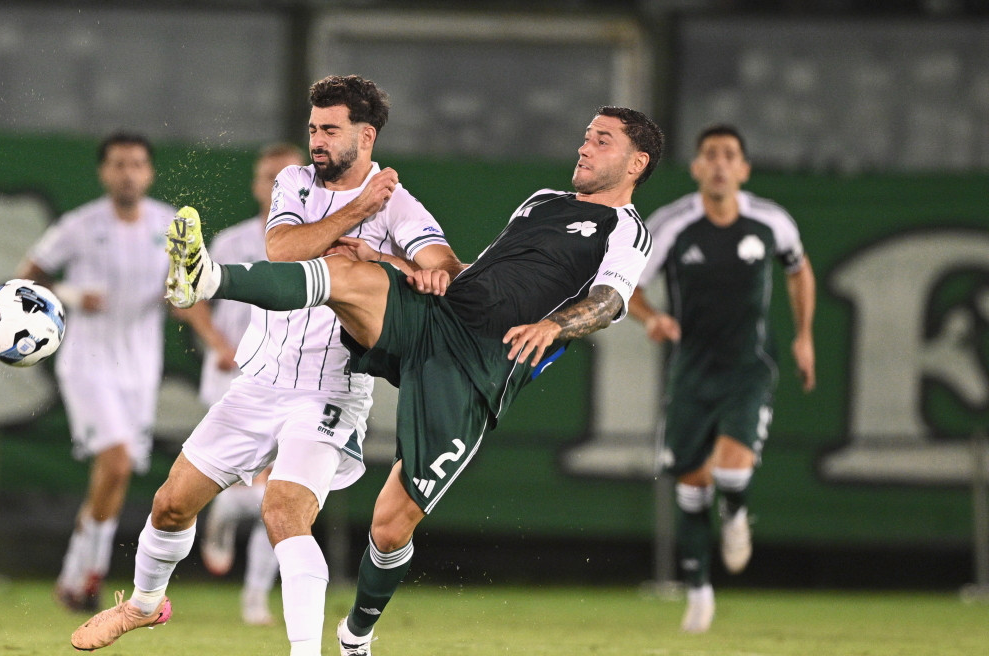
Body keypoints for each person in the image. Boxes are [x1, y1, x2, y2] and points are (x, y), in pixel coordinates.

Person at [152, 105, 663, 655]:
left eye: (602, 141)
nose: (584, 147)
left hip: (478, 370)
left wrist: (555, 325)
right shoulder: (541, 201)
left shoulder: (627, 230)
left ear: (636, 163)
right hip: (442, 317)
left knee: (390, 526)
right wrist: (391, 260)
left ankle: (356, 635)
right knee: (349, 272)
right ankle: (207, 278)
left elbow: (609, 301)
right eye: (586, 136)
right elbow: (476, 276)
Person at [70, 75, 461, 654]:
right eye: (313, 128)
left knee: (283, 513)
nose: (317, 141)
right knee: (171, 505)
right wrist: (358, 211)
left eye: (331, 130)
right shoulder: (295, 181)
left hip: (330, 392)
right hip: (258, 381)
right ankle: (144, 606)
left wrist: (404, 263)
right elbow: (282, 250)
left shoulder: (397, 203)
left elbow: (447, 269)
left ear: (366, 136)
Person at [627, 124, 816, 633]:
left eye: (730, 155)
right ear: (695, 168)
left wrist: (804, 337)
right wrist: (653, 319)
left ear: (744, 169)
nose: (719, 164)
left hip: (748, 368)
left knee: (731, 470)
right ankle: (699, 593)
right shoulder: (671, 225)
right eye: (710, 154)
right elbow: (629, 289)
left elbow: (799, 270)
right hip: (691, 372)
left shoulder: (771, 221)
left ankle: (735, 513)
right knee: (691, 486)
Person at [17, 132, 214, 612]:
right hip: (87, 363)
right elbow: (25, 278)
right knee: (118, 463)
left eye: (137, 164)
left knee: (114, 475)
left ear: (149, 172)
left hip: (140, 369)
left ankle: (72, 574)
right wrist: (69, 294)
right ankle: (91, 575)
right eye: (119, 164)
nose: (128, 173)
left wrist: (209, 331)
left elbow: (187, 294)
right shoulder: (79, 226)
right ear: (104, 172)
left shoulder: (170, 224)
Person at [196, 143, 306, 627]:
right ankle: (225, 506)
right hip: (231, 372)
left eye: (287, 175)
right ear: (257, 185)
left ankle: (256, 595)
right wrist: (217, 342)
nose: (277, 185)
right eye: (269, 177)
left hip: (290, 377)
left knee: (281, 491)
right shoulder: (230, 241)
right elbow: (188, 296)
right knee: (240, 478)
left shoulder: (319, 242)